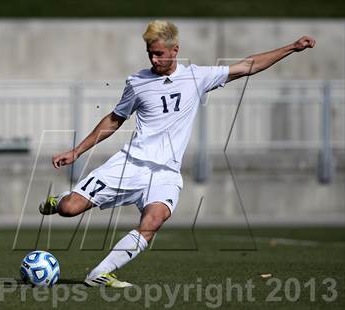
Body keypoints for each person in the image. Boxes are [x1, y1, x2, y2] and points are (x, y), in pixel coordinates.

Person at [39, 20, 315, 287]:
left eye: (159, 53)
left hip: (165, 173)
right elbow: (114, 119)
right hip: (130, 163)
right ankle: (60, 199)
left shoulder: (196, 77)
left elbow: (248, 65)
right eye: (150, 54)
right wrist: (77, 151)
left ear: (175, 50)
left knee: (154, 220)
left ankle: (100, 273)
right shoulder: (137, 83)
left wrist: (291, 47)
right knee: (69, 209)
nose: (154, 60)